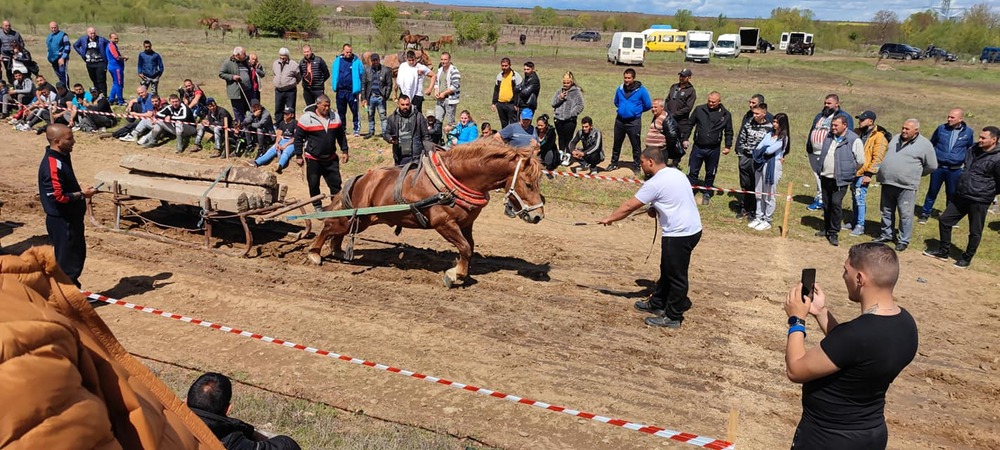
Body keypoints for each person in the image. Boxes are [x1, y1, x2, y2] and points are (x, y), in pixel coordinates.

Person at [783, 243, 917, 449]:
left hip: (827, 438)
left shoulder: (856, 334)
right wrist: (821, 312)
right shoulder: (906, 324)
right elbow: (853, 352)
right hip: (872, 434)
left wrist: (796, 320)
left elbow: (795, 370)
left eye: (846, 270)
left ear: (860, 279)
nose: (843, 276)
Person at [599, 147, 702, 328]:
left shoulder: (654, 183)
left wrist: (610, 218)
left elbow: (629, 206)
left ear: (650, 162)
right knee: (667, 269)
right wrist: (657, 207)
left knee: (677, 276)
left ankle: (673, 316)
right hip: (691, 230)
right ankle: (658, 303)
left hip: (679, 233)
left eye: (642, 162)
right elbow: (675, 198)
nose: (641, 165)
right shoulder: (676, 173)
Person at [923, 126, 1000, 268]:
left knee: (975, 231)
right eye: (980, 137)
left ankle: (967, 258)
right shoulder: (973, 150)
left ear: (994, 140)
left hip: (980, 199)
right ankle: (943, 251)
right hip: (962, 194)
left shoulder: (997, 158)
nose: (980, 140)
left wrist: (988, 192)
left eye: (983, 138)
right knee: (945, 219)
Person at [38, 124, 95, 287]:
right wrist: (83, 194)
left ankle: (70, 292)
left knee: (75, 256)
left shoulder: (62, 156)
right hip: (63, 220)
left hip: (70, 218)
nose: (73, 142)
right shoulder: (52, 165)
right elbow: (58, 196)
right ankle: (65, 298)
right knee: (67, 263)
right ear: (57, 141)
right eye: (69, 139)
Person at [186, 372, 302, 450]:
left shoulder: (172, 424)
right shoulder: (231, 441)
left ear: (186, 401)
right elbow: (285, 445)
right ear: (228, 409)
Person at [874, 119, 937, 252]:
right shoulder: (896, 138)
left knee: (905, 214)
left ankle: (903, 240)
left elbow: (932, 166)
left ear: (916, 131)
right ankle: (886, 234)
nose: (903, 131)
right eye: (903, 128)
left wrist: (915, 173)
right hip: (888, 181)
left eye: (907, 129)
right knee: (886, 210)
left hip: (906, 186)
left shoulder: (925, 145)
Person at [809, 116, 863, 247]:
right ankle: (827, 228)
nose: (833, 128)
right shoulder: (829, 136)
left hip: (841, 179)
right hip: (825, 176)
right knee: (827, 204)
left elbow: (860, 161)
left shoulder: (853, 139)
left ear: (845, 125)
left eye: (835, 125)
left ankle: (834, 232)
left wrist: (848, 170)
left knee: (836, 203)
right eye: (832, 125)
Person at [919, 108, 974, 223]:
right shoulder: (941, 129)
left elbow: (969, 149)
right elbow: (931, 143)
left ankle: (950, 217)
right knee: (932, 191)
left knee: (952, 193)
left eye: (952, 117)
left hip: (955, 170)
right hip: (938, 168)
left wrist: (967, 165)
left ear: (960, 119)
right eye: (948, 116)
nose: (949, 119)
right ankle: (925, 213)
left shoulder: (968, 132)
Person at [295, 95, 348, 212]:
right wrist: (298, 155)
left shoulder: (335, 117)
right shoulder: (306, 119)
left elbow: (341, 136)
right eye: (325, 105)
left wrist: (345, 150)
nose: (327, 108)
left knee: (336, 183)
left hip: (331, 158)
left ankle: (336, 205)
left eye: (328, 105)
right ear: (317, 104)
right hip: (313, 159)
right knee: (313, 184)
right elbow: (298, 138)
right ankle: (317, 206)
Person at [806, 94, 854, 211]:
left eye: (829, 103)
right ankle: (820, 198)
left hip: (828, 152)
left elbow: (848, 135)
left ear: (837, 104)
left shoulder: (844, 117)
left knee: (826, 176)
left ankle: (824, 200)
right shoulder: (820, 116)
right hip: (814, 151)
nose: (826, 105)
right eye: (825, 103)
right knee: (817, 175)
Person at [846, 111, 889, 237]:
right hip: (853, 171)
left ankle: (860, 225)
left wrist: (869, 174)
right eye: (859, 120)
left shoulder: (879, 137)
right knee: (854, 197)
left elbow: (878, 157)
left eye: (862, 120)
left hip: (864, 173)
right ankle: (854, 222)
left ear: (871, 121)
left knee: (860, 198)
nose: (860, 122)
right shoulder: (856, 132)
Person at [686, 91, 734, 205]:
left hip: (714, 149)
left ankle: (707, 192)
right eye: (709, 101)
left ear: (719, 102)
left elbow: (729, 132)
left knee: (710, 172)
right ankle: (689, 191)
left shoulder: (725, 115)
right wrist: (685, 138)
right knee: (693, 171)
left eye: (713, 102)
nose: (711, 103)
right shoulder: (699, 109)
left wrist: (728, 146)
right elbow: (690, 124)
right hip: (698, 146)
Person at [749, 112, 790, 231]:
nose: (774, 124)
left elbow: (769, 151)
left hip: (773, 166)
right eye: (774, 121)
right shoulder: (769, 134)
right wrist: (764, 148)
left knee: (769, 193)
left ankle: (768, 219)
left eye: (777, 122)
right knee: (759, 191)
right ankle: (758, 216)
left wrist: (764, 148)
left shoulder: (783, 138)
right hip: (761, 164)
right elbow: (758, 147)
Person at [734, 95, 772, 219]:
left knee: (757, 185)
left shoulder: (770, 127)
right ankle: (746, 207)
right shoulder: (748, 122)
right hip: (746, 157)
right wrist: (741, 153)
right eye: (754, 113)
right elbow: (741, 137)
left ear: (764, 113)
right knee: (746, 184)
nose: (754, 115)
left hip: (759, 160)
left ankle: (756, 211)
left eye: (757, 113)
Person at [608, 68, 652, 172]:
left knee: (635, 145)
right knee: (617, 143)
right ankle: (614, 163)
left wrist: (636, 111)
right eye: (625, 77)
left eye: (629, 78)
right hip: (620, 121)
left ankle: (637, 165)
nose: (626, 80)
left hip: (633, 122)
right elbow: (616, 102)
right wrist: (623, 109)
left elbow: (648, 105)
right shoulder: (619, 89)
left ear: (633, 78)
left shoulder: (641, 90)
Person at [251, 106, 299, 174]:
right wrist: (276, 143)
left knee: (286, 153)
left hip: (292, 143)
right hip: (283, 140)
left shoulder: (295, 123)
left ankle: (279, 166)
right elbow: (279, 135)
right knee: (271, 151)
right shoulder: (282, 123)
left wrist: (286, 145)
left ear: (292, 115)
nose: (285, 115)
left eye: (287, 114)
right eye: (284, 114)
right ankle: (257, 162)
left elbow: (296, 137)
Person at [384, 95, 429, 166]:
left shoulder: (419, 117)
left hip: (416, 157)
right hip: (400, 157)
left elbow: (426, 136)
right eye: (402, 104)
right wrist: (390, 139)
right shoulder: (392, 118)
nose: (405, 107)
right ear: (398, 104)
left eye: (407, 104)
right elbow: (386, 134)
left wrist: (427, 152)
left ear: (410, 104)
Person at [551, 71, 584, 160]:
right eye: (564, 83)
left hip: (570, 121)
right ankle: (561, 156)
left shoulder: (577, 92)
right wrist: (560, 98)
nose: (566, 84)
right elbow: (553, 104)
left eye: (568, 82)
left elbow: (580, 105)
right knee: (561, 138)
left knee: (568, 139)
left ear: (572, 82)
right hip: (558, 119)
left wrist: (571, 114)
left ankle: (568, 157)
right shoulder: (559, 91)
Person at [332, 43, 363, 136]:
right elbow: (334, 73)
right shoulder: (337, 61)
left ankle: (356, 129)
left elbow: (362, 74)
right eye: (347, 52)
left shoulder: (356, 62)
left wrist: (360, 88)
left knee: (355, 111)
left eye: (350, 52)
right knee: (341, 111)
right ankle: (342, 129)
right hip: (340, 90)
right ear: (343, 51)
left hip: (352, 91)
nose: (348, 54)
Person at [645, 97, 683, 168]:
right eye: (652, 107)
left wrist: (666, 149)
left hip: (660, 152)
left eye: (655, 107)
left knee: (658, 171)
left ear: (662, 107)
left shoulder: (666, 118)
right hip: (652, 150)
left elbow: (672, 136)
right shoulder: (657, 116)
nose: (653, 109)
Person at [361, 53, 391, 138]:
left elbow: (389, 84)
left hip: (381, 97)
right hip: (370, 97)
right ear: (371, 61)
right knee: (370, 115)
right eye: (373, 60)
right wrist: (363, 98)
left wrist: (385, 96)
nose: (375, 62)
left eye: (376, 60)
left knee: (383, 116)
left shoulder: (386, 70)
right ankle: (371, 132)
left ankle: (384, 133)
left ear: (379, 60)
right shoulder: (367, 71)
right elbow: (363, 84)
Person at [219, 47, 252, 123]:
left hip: (248, 91)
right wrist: (232, 77)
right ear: (237, 55)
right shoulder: (228, 62)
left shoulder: (246, 61)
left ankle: (250, 128)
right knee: (239, 112)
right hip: (236, 92)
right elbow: (221, 74)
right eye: (244, 54)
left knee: (250, 110)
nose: (245, 55)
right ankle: (241, 130)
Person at [666, 68, 696, 151]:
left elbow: (688, 108)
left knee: (678, 141)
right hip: (669, 118)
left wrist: (675, 114)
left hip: (681, 121)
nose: (681, 78)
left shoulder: (691, 91)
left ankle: (676, 161)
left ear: (689, 77)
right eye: (680, 76)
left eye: (684, 76)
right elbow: (667, 100)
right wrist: (666, 111)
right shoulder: (674, 86)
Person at [72, 27, 109, 96]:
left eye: (94, 33)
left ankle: (104, 95)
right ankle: (97, 94)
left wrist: (106, 54)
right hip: (89, 63)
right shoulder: (83, 39)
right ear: (87, 33)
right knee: (94, 79)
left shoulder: (101, 39)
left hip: (100, 62)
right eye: (91, 33)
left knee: (101, 80)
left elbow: (109, 45)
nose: (93, 35)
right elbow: (75, 45)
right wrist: (81, 52)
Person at [490, 57, 522, 129]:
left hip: (511, 104)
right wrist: (494, 103)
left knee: (514, 124)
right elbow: (496, 90)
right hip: (500, 104)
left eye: (506, 65)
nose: (504, 67)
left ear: (510, 65)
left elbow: (520, 91)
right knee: (504, 124)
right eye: (502, 66)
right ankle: (505, 139)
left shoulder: (515, 76)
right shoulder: (499, 76)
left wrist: (517, 104)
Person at [432, 51, 461, 126]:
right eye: (442, 59)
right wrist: (436, 91)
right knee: (437, 120)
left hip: (450, 99)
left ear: (449, 60)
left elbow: (455, 86)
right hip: (440, 99)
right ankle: (438, 137)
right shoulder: (440, 70)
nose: (443, 61)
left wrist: (444, 93)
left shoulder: (454, 70)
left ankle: (451, 137)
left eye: (445, 59)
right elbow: (436, 82)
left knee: (450, 122)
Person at [272, 47, 299, 118]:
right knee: (278, 108)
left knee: (290, 109)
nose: (282, 58)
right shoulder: (275, 63)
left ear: (287, 56)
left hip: (290, 91)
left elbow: (298, 76)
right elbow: (274, 74)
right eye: (281, 56)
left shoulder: (294, 64)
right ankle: (278, 125)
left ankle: (291, 125)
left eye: (284, 56)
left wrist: (292, 83)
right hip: (278, 91)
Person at [45, 22, 71, 87]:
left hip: (61, 58)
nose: (54, 29)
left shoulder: (63, 35)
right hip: (53, 59)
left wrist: (63, 57)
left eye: (55, 27)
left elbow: (67, 47)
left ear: (57, 27)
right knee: (59, 75)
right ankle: (61, 88)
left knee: (63, 73)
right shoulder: (49, 37)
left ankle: (66, 88)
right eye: (52, 28)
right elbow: (49, 48)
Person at [105, 33, 127, 105]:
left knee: (115, 83)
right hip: (115, 67)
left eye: (117, 38)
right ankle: (120, 101)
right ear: (110, 38)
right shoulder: (111, 46)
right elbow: (116, 57)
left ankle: (111, 99)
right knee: (119, 84)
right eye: (115, 38)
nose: (116, 40)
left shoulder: (114, 46)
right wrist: (124, 57)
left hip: (115, 66)